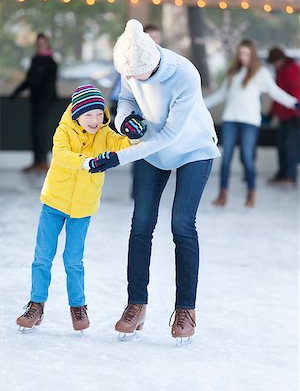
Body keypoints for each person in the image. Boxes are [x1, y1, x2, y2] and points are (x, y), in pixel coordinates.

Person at [89, 19, 221, 345]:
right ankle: (136, 304)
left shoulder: (185, 74)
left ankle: (186, 310)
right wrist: (125, 123)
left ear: (152, 64)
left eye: (136, 75)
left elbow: (170, 136)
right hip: (151, 150)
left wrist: (117, 157)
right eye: (127, 74)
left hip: (193, 149)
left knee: (182, 224)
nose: (130, 78)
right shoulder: (129, 64)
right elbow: (126, 101)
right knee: (141, 223)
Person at [16, 84, 146, 332]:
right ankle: (36, 305)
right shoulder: (63, 130)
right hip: (54, 203)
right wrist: (88, 162)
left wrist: (133, 135)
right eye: (88, 115)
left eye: (99, 114)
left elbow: (123, 145)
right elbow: (62, 155)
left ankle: (78, 308)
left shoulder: (104, 134)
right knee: (42, 257)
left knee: (73, 261)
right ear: (77, 114)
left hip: (82, 209)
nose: (95, 120)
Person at [204, 39, 300, 207]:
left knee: (248, 158)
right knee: (225, 159)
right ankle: (223, 194)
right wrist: (198, 104)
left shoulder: (261, 73)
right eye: (241, 53)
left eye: (247, 54)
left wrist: (294, 102)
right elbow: (220, 95)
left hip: (250, 122)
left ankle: (251, 193)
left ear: (253, 54)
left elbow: (275, 92)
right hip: (230, 120)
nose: (243, 57)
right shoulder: (233, 72)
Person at [10, 33, 58, 172]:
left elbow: (49, 84)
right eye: (38, 44)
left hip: (46, 102)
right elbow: (30, 80)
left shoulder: (51, 62)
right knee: (34, 131)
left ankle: (43, 161)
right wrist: (16, 92)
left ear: (47, 44)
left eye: (43, 43)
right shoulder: (35, 60)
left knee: (40, 130)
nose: (40, 46)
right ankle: (36, 161)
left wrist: (45, 101)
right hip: (35, 101)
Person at [267, 47, 300, 185]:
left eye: (275, 62)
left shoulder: (292, 70)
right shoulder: (279, 71)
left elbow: (296, 92)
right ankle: (282, 174)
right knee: (281, 146)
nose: (274, 65)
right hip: (283, 117)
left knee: (290, 146)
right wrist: (270, 115)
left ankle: (290, 177)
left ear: (280, 60)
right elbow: (277, 96)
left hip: (295, 116)